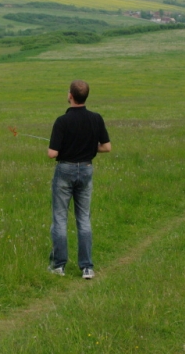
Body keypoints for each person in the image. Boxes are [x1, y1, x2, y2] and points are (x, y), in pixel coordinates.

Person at [47, 80, 111, 279]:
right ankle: (87, 267)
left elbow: (52, 153)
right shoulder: (96, 118)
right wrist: (90, 149)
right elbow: (106, 147)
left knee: (60, 218)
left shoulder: (62, 121)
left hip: (64, 171)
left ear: (71, 96)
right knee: (83, 219)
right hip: (86, 170)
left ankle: (59, 265)